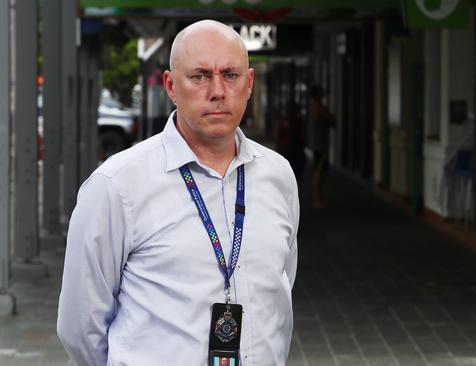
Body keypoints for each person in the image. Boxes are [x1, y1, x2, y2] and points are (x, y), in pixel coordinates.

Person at [57, 20, 299, 366]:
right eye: (200, 76)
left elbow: (281, 289)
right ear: (171, 85)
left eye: (230, 75)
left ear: (249, 84)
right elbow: (80, 325)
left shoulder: (278, 176)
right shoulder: (117, 185)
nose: (217, 90)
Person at [307, 84, 334, 208]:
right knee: (318, 171)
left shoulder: (316, 107)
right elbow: (331, 118)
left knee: (320, 172)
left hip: (320, 143)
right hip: (319, 144)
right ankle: (317, 200)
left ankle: (318, 198)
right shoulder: (317, 108)